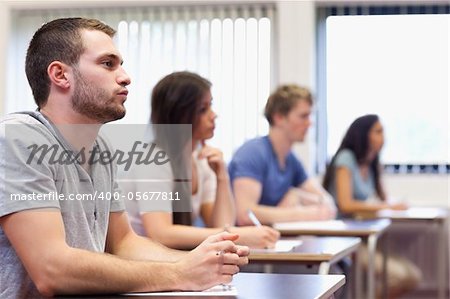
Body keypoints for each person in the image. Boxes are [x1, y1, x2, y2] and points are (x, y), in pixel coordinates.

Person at [0, 18, 248, 298]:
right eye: (108, 64)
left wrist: (198, 262)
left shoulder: (101, 148)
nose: (125, 76)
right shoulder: (18, 138)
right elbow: (51, 269)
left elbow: (124, 243)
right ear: (60, 75)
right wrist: (180, 272)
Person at [122, 71, 280, 250]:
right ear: (180, 116)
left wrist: (222, 176)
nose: (214, 116)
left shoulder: (201, 160)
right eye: (203, 109)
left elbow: (220, 225)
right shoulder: (153, 160)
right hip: (141, 265)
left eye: (210, 106)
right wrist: (238, 236)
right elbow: (160, 234)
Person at [323, 114, 421, 298]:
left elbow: (383, 199)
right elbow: (345, 204)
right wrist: (385, 206)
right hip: (344, 239)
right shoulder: (346, 159)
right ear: (363, 134)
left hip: (366, 236)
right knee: (399, 276)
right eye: (378, 131)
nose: (383, 136)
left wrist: (393, 205)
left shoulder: (372, 162)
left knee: (412, 276)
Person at [229, 84, 336, 225]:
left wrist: (297, 195)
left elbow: (328, 204)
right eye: (303, 116)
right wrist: (302, 212)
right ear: (279, 117)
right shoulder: (252, 153)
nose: (309, 123)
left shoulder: (291, 159)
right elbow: (245, 214)